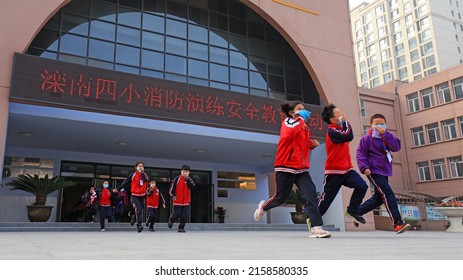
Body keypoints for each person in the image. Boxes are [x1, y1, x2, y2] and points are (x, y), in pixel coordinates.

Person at [253, 100, 331, 238]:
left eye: (304, 108)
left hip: (301, 170)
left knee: (311, 195)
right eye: (300, 109)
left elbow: (299, 146)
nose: (304, 111)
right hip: (285, 168)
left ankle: (316, 228)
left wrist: (310, 145)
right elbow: (289, 133)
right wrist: (300, 119)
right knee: (280, 198)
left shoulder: (303, 127)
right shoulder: (288, 122)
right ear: (291, 112)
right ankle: (263, 207)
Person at [356, 113, 411, 234]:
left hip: (384, 171)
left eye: (382, 124)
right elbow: (360, 154)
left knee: (379, 198)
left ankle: (356, 212)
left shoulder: (386, 137)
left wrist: (385, 134)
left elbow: (396, 147)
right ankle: (397, 223)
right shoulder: (366, 139)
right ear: (371, 125)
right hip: (373, 170)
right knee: (388, 193)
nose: (379, 126)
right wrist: (364, 167)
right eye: (376, 124)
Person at [318, 104, 368, 225]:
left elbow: (347, 134)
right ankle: (312, 218)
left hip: (347, 170)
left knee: (362, 186)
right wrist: (346, 122)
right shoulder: (332, 130)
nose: (343, 115)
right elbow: (349, 136)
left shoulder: (340, 129)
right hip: (333, 172)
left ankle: (352, 211)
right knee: (326, 200)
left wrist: (345, 123)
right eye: (339, 113)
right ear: (333, 120)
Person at [119, 161, 149, 232]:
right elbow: (125, 182)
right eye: (139, 166)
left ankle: (133, 217)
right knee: (138, 208)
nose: (141, 167)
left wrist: (142, 173)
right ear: (136, 167)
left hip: (142, 195)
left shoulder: (144, 174)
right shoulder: (132, 175)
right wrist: (118, 188)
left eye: (142, 166)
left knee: (140, 209)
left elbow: (146, 180)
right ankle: (139, 225)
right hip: (134, 195)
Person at [168, 164, 195, 233]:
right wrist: (173, 196)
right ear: (181, 172)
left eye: (186, 172)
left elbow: (192, 186)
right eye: (183, 172)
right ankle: (171, 220)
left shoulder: (190, 180)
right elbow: (171, 190)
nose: (184, 173)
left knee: (185, 215)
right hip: (177, 201)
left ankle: (181, 228)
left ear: (189, 173)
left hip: (186, 202)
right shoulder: (176, 179)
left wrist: (188, 179)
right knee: (177, 213)